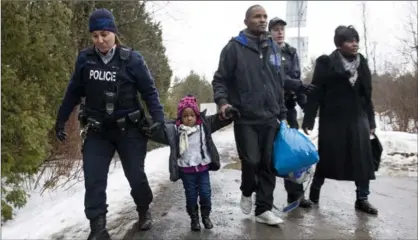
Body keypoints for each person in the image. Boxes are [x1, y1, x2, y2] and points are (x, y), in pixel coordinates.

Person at [54, 8, 165, 239]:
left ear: (114, 32)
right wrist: (61, 120)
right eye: (95, 35)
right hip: (98, 131)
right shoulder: (85, 59)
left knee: (136, 176)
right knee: (93, 179)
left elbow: (150, 92)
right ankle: (98, 228)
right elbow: (73, 92)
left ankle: (144, 210)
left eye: (104, 34)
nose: (100, 40)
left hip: (130, 130)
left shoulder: (133, 59)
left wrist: (159, 120)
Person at [212, 4, 287, 225]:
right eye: (257, 17)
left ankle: (263, 209)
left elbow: (278, 83)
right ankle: (247, 190)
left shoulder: (273, 47)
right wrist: (223, 103)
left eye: (265, 16)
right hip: (245, 117)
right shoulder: (234, 48)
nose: (263, 20)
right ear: (246, 21)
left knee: (268, 163)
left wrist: (282, 114)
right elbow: (220, 80)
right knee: (251, 161)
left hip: (270, 117)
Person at [302, 25, 378, 215]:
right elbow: (316, 92)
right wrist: (309, 118)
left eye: (356, 40)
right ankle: (314, 194)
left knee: (362, 158)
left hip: (357, 117)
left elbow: (367, 94)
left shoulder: (362, 63)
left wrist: (371, 121)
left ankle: (362, 199)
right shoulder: (326, 63)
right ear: (339, 44)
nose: (355, 44)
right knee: (328, 157)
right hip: (333, 119)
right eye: (350, 40)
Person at [146, 95, 235, 231]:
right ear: (180, 118)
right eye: (185, 116)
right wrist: (147, 126)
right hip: (186, 171)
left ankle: (206, 216)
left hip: (203, 168)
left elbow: (219, 120)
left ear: (196, 115)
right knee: (191, 196)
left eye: (192, 115)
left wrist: (228, 114)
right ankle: (194, 219)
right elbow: (159, 131)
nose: (189, 118)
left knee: (205, 193)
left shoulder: (204, 125)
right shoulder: (175, 130)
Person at [268, 17, 315, 208]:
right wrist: (298, 85)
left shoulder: (291, 52)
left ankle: (295, 195)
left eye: (282, 29)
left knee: (293, 153)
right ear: (269, 32)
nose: (280, 32)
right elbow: (276, 78)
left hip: (288, 108)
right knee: (270, 153)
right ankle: (264, 199)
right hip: (270, 109)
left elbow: (296, 78)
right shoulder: (265, 51)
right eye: (276, 29)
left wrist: (305, 105)